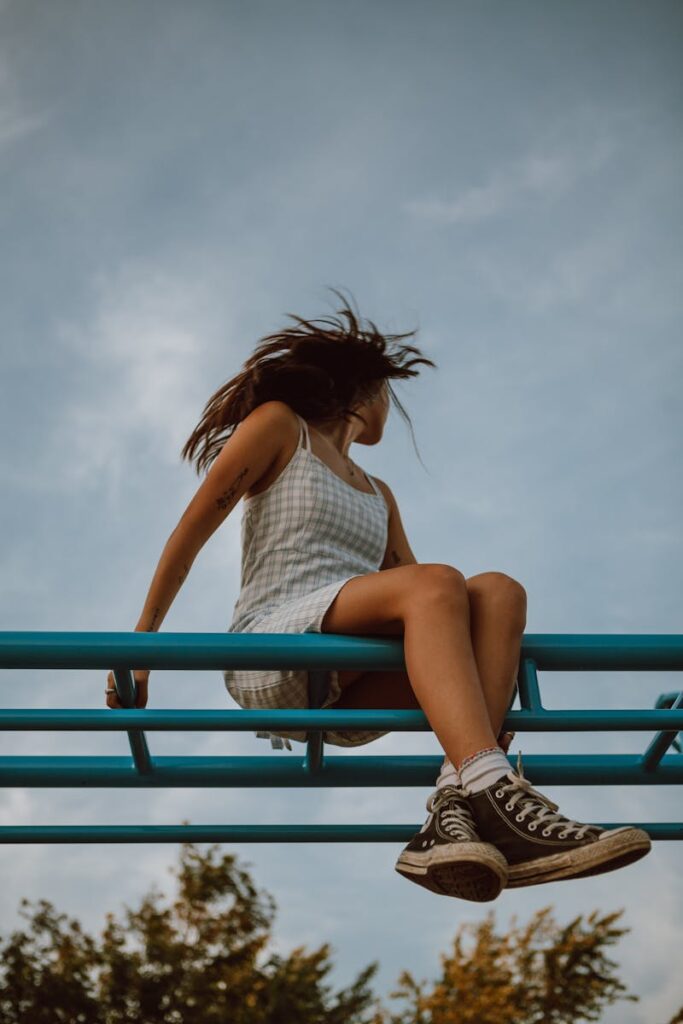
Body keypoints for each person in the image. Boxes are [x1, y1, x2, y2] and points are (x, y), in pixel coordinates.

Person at [105, 287, 651, 902]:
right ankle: (492, 787)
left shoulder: (377, 491)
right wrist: (140, 644)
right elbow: (190, 533)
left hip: (350, 678)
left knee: (496, 593)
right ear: (365, 392)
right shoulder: (281, 428)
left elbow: (437, 608)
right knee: (440, 582)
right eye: (389, 391)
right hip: (275, 648)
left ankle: (458, 805)